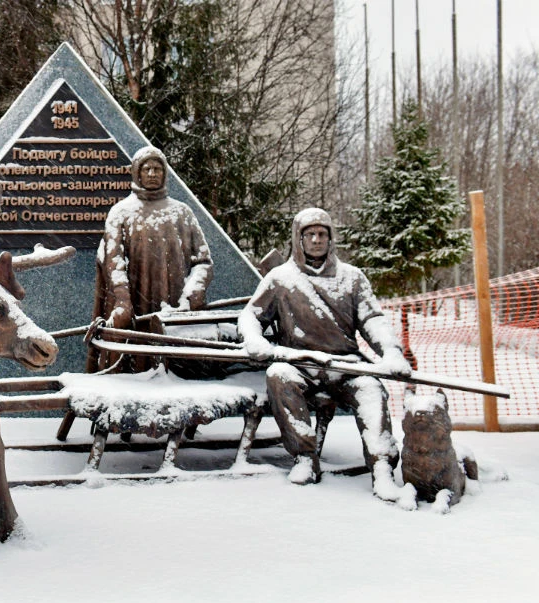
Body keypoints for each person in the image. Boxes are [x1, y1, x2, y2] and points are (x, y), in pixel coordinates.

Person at [237, 207, 413, 499]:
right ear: (299, 239)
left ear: (331, 239)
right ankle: (305, 456)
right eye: (310, 235)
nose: (317, 240)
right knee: (278, 376)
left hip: (346, 365)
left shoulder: (353, 278)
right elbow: (251, 316)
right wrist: (255, 339)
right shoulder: (281, 278)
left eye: (322, 234)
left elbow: (372, 320)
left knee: (371, 390)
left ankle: (382, 467)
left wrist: (391, 353)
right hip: (299, 364)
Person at [86, 146, 213, 373]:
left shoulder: (182, 213)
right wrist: (123, 299)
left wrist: (195, 291)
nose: (153, 174)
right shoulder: (121, 212)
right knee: (135, 360)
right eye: (147, 169)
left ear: (165, 173)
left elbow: (202, 261)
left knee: (176, 365)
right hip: (137, 302)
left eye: (157, 169)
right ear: (137, 172)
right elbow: (114, 262)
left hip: (175, 303)